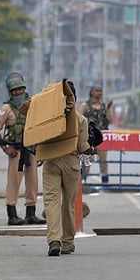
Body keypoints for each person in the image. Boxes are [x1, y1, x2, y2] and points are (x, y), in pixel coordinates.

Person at [41, 80, 93, 257]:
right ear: (75, 98)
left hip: (51, 161)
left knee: (51, 201)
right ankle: (67, 242)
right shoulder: (81, 120)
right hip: (71, 163)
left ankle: (53, 239)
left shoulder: (48, 118)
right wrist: (92, 146)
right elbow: (83, 147)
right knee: (68, 203)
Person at [0, 73, 45, 225]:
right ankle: (12, 215)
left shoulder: (32, 105)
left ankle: (30, 214)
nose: (18, 93)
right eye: (14, 90)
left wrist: (40, 151)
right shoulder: (6, 109)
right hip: (17, 152)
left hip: (31, 150)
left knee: (33, 183)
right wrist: (6, 148)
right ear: (10, 92)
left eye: (20, 89)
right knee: (14, 182)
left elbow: (38, 128)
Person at [78, 85, 113, 187]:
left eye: (101, 91)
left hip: (101, 138)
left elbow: (110, 120)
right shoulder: (85, 106)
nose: (99, 93)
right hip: (89, 138)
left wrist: (109, 109)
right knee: (86, 160)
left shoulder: (104, 107)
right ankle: (82, 181)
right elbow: (79, 119)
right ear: (92, 92)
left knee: (103, 161)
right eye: (97, 91)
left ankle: (105, 181)